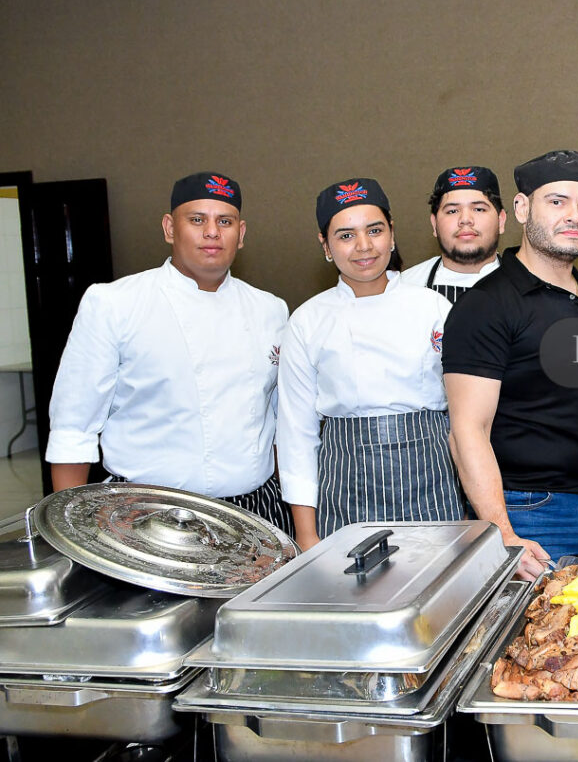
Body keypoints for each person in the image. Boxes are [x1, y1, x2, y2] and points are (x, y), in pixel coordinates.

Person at [46, 172, 293, 533]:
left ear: (240, 234)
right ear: (169, 228)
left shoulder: (271, 309)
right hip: (142, 512)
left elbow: (280, 423)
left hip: (255, 510)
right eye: (197, 220)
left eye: (225, 221)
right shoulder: (115, 303)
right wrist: (71, 532)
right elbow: (73, 427)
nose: (212, 232)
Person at [444, 150, 578, 579]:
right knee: (532, 625)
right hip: (528, 513)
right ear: (521, 208)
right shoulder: (486, 305)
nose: (574, 215)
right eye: (557, 201)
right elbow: (467, 431)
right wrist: (504, 533)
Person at [277, 177, 462, 551]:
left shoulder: (433, 308)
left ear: (392, 234)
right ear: (325, 245)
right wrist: (306, 534)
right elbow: (296, 433)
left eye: (374, 230)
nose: (363, 246)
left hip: (432, 477)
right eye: (346, 236)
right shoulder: (308, 320)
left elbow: (465, 413)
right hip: (346, 482)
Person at [401, 165, 506, 303]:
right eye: (452, 211)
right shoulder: (404, 288)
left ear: (501, 221)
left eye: (479, 209)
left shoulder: (528, 286)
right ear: (434, 224)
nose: (465, 219)